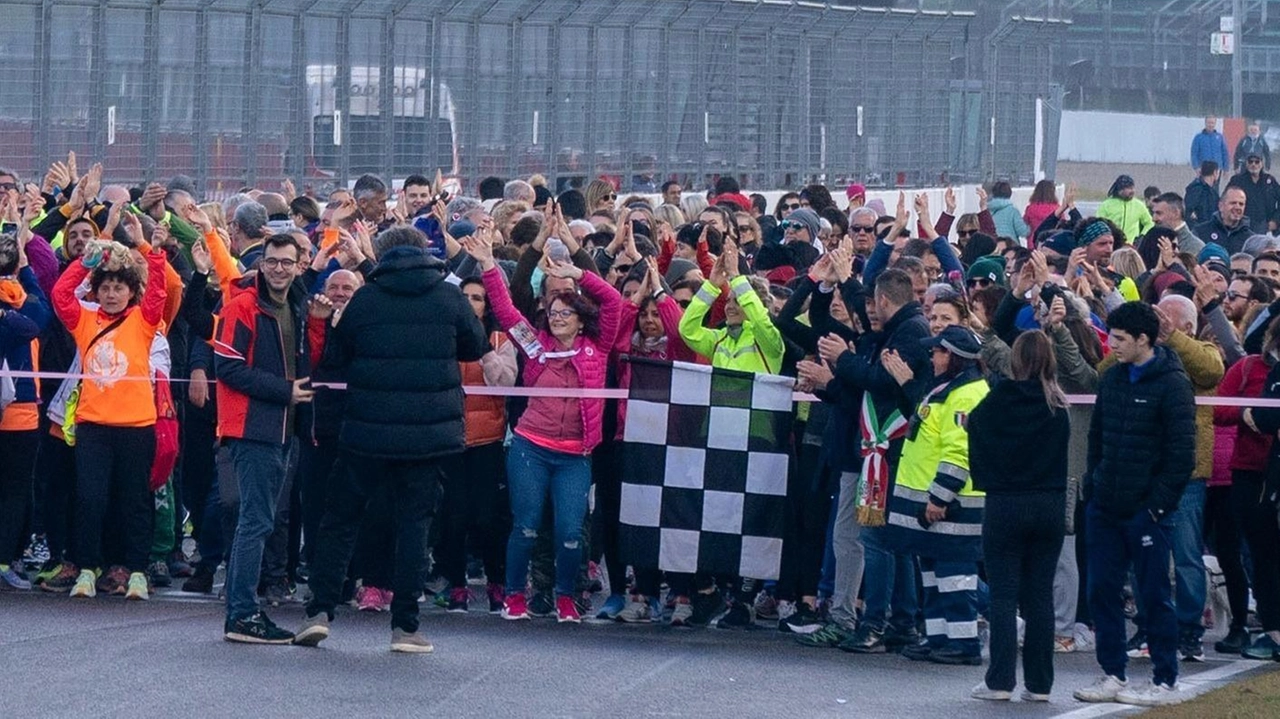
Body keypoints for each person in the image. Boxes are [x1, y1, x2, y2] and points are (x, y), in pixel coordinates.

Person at [294, 225, 487, 653]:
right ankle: (406, 626)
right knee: (414, 528)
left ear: (379, 254)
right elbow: (473, 347)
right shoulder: (448, 296)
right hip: (429, 434)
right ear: (425, 250)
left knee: (340, 520)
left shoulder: (366, 298)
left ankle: (320, 611)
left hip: (367, 430)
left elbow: (338, 358)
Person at [468, 225, 622, 624]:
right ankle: (516, 595)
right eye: (552, 313)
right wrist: (487, 263)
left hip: (576, 455)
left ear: (579, 317)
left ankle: (566, 597)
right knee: (527, 528)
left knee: (571, 533)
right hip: (530, 450)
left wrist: (578, 275)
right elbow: (504, 309)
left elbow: (615, 303)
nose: (556, 318)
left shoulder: (597, 347)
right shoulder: (535, 347)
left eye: (564, 313)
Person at [1074, 302, 1195, 708]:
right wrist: (1095, 485)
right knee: (1102, 590)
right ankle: (1112, 671)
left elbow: (1181, 455)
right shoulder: (1112, 379)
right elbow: (1097, 439)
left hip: (1146, 511)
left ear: (1144, 339)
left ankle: (1165, 678)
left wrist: (1156, 508)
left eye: (1121, 340)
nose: (1114, 348)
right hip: (1105, 506)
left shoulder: (1173, 384)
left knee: (1153, 594)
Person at [50, 232, 167, 601]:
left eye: (119, 287)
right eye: (106, 288)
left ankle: (136, 571)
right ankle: (87, 568)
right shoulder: (84, 321)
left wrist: (156, 256)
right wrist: (85, 264)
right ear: (97, 292)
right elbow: (60, 296)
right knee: (90, 498)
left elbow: (159, 296)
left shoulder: (145, 322)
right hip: (93, 427)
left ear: (131, 292)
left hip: (137, 427)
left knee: (134, 500)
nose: (112, 294)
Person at [216, 234, 312, 644]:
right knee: (255, 523)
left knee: (260, 522)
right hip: (253, 428)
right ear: (260, 264)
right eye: (272, 262)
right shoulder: (241, 307)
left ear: (298, 265)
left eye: (285, 263)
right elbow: (228, 367)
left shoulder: (298, 306)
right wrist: (284, 391)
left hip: (281, 428)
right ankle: (241, 613)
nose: (278, 269)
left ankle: (243, 611)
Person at [968, 330, 1070, 702]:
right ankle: (1040, 683)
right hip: (1049, 503)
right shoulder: (1057, 404)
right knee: (1039, 594)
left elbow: (974, 428)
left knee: (1003, 595)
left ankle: (1000, 680)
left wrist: (989, 475)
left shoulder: (999, 400)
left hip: (1006, 502)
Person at [881, 325, 989, 666]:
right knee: (933, 575)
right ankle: (939, 637)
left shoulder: (967, 393)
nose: (933, 356)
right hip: (931, 504)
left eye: (939, 352)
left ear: (955, 357)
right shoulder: (946, 388)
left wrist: (940, 497)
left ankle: (964, 643)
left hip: (952, 507)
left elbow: (960, 452)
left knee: (955, 577)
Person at [436, 276, 516, 615]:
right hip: (449, 439)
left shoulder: (499, 339)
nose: (471, 303)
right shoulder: (440, 338)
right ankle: (455, 585)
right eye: (465, 297)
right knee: (451, 517)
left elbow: (506, 381)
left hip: (487, 441)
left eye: (478, 298)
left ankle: (497, 581)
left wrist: (483, 349)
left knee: (488, 518)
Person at [1226, 153, 1280, 235]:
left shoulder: (1270, 181)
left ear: (1262, 164)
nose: (1253, 165)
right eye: (1250, 162)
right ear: (1246, 164)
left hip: (1265, 227)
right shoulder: (1237, 181)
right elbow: (1225, 199)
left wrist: (1276, 220)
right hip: (1241, 227)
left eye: (1257, 162)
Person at [1195, 186, 1253, 254]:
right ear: (1221, 206)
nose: (1237, 207)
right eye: (1233, 203)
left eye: (1241, 204)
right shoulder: (1201, 232)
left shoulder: (1251, 239)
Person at [1096, 175, 1153, 243]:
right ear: (1120, 190)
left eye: (1133, 188)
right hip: (1112, 245)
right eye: (1129, 188)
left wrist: (1142, 236)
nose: (1132, 191)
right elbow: (1098, 224)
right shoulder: (1106, 205)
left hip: (1131, 246)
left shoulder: (1139, 205)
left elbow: (1149, 223)